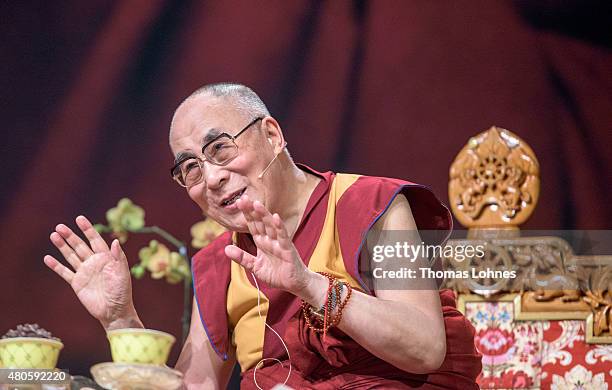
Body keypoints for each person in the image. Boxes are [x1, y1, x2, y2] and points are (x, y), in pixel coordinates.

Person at [44, 83, 482, 389]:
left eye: (220, 149)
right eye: (190, 168)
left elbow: (425, 347)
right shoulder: (219, 263)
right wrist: (120, 319)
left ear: (271, 135)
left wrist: (308, 285)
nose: (211, 177)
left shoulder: (374, 205)